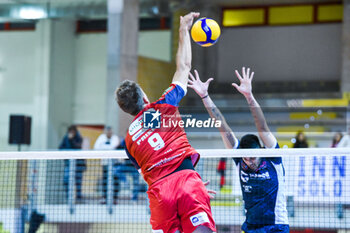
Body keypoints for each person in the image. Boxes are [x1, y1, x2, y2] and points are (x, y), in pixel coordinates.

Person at [115, 12, 216, 233]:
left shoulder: (129, 141)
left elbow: (147, 172)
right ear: (144, 98)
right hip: (187, 181)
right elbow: (184, 67)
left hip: (160, 194)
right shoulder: (163, 107)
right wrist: (183, 29)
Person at [188, 67, 289, 233]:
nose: (249, 162)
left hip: (276, 227)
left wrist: (249, 96)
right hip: (250, 227)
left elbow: (262, 126)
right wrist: (205, 97)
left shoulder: (272, 158)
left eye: (252, 158)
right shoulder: (239, 157)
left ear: (261, 151)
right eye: (245, 159)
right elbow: (222, 126)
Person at [93, 126, 120, 204]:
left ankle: (115, 198)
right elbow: (96, 147)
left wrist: (104, 147)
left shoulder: (115, 138)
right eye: (108, 131)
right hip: (105, 164)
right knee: (105, 181)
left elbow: (114, 146)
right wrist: (107, 148)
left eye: (110, 131)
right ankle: (105, 198)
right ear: (105, 132)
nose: (109, 133)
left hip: (114, 164)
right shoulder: (101, 138)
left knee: (115, 181)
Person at [59, 125, 85, 201]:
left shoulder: (79, 138)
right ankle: (68, 198)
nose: (71, 133)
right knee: (66, 181)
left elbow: (78, 147)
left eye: (72, 131)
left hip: (78, 164)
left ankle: (78, 197)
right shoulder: (65, 138)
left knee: (78, 182)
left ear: (75, 131)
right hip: (68, 164)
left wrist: (71, 140)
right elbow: (60, 147)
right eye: (70, 131)